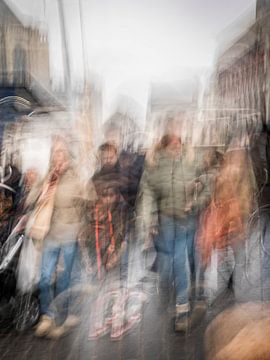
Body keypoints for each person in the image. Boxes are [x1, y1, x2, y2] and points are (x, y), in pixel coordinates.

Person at [140, 133, 200, 332]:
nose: (177, 147)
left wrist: (195, 199)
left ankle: (182, 310)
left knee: (178, 261)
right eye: (173, 144)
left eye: (179, 143)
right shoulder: (156, 165)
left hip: (185, 219)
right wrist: (150, 218)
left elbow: (205, 183)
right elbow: (148, 192)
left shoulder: (190, 161)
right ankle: (173, 296)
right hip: (166, 219)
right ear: (164, 147)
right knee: (169, 262)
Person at [28, 136, 87, 339]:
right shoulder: (47, 176)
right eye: (55, 152)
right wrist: (41, 189)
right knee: (44, 278)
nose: (58, 156)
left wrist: (80, 225)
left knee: (64, 279)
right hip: (50, 233)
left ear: (68, 156)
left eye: (61, 152)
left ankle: (59, 317)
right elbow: (30, 200)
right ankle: (47, 316)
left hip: (69, 233)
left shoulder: (76, 176)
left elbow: (87, 201)